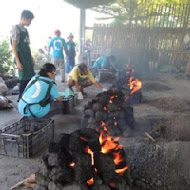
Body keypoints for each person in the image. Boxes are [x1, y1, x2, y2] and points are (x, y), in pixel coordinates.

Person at [10, 10, 35, 101]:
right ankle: (20, 98)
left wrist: (31, 57)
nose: (30, 22)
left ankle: (27, 96)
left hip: (27, 56)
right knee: (23, 78)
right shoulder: (16, 28)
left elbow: (27, 45)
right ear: (23, 18)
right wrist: (18, 61)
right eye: (29, 20)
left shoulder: (25, 30)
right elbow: (14, 46)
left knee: (30, 77)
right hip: (21, 57)